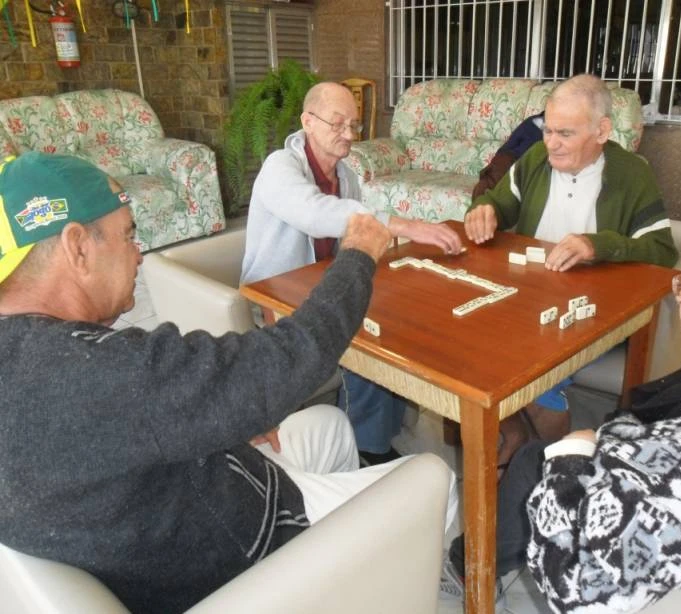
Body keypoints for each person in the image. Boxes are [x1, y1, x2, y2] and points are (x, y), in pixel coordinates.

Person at [0, 152, 458, 614]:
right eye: (129, 235)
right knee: (443, 483)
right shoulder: (93, 370)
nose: (139, 253)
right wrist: (358, 257)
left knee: (331, 426)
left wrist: (222, 414)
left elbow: (123, 430)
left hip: (183, 508)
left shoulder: (31, 358)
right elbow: (289, 357)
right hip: (249, 559)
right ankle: (389, 574)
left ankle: (366, 583)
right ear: (78, 247)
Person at [444, 211, 681, 612]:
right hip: (653, 469)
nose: (678, 295)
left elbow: (578, 591)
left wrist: (570, 455)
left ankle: (465, 566)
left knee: (533, 462)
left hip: (667, 553)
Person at [241, 82, 463, 465]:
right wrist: (403, 225)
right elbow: (315, 212)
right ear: (307, 122)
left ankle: (377, 436)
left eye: (354, 126)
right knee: (359, 336)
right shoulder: (280, 167)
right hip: (277, 298)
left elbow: (348, 237)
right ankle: (364, 447)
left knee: (390, 318)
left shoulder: (346, 174)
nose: (348, 135)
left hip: (322, 285)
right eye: (337, 124)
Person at [464, 73, 678, 458]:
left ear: (602, 130)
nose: (551, 144)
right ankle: (516, 436)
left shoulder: (633, 174)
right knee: (466, 344)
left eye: (565, 133)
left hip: (595, 311)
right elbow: (496, 202)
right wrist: (483, 211)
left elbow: (662, 252)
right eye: (547, 130)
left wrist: (598, 245)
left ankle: (552, 466)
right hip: (527, 296)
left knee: (532, 370)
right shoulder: (535, 160)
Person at [471, 111, 544, 200]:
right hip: (510, 158)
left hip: (529, 170)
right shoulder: (533, 122)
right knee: (485, 186)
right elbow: (511, 142)